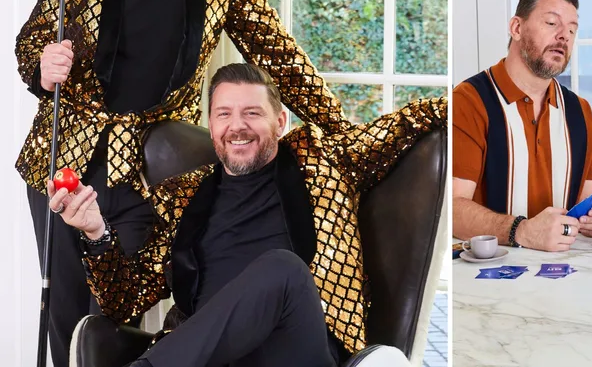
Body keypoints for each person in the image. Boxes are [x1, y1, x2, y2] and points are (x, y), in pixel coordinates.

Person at [16, 0, 354, 366]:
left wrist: (339, 131)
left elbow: (277, 54)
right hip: (68, 157)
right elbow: (33, 38)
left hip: (155, 164)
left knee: (118, 306)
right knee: (65, 308)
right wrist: (42, 65)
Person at [50, 63, 446, 366]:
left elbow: (416, 117)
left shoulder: (324, 161)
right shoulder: (182, 195)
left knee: (283, 271)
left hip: (294, 350)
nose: (236, 126)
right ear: (210, 123)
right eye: (223, 114)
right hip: (208, 357)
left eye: (252, 113)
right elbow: (125, 301)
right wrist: (97, 232)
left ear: (281, 121)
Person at [452, 0, 592, 252]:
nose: (564, 36)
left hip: (565, 272)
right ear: (516, 28)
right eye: (552, 23)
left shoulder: (579, 110)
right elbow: (452, 209)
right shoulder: (469, 101)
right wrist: (522, 231)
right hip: (487, 279)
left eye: (572, 29)